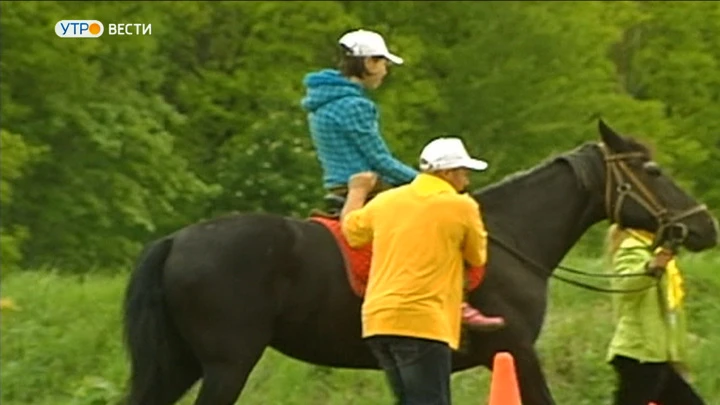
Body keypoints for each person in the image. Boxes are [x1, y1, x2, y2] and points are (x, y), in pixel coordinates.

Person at [340, 137, 506, 405]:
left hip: (379, 321)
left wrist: (357, 190)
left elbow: (351, 232)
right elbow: (477, 256)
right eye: (463, 172)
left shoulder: (387, 201)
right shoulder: (462, 206)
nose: (467, 181)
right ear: (447, 173)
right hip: (423, 321)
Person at [300, 28, 418, 210]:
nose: (385, 71)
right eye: (384, 64)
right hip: (366, 188)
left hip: (336, 187)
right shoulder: (356, 106)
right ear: (370, 63)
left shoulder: (321, 100)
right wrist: (424, 180)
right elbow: (380, 160)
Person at [605, 224, 706, 405]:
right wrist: (650, 267)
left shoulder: (653, 249)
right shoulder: (632, 247)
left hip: (657, 354)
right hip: (639, 354)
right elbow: (624, 286)